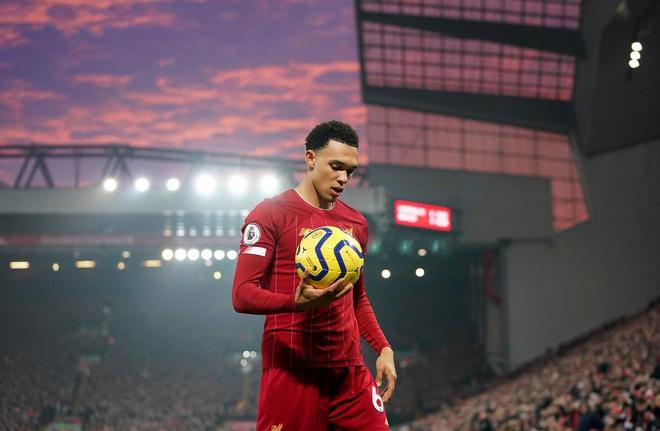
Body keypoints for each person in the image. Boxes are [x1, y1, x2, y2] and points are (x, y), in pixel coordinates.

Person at [232, 120, 397, 430]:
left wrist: (383, 347)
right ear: (310, 158)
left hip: (349, 372)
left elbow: (357, 297)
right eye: (336, 166)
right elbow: (241, 294)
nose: (343, 178)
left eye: (350, 171)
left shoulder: (356, 223)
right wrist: (295, 303)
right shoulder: (270, 214)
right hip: (293, 370)